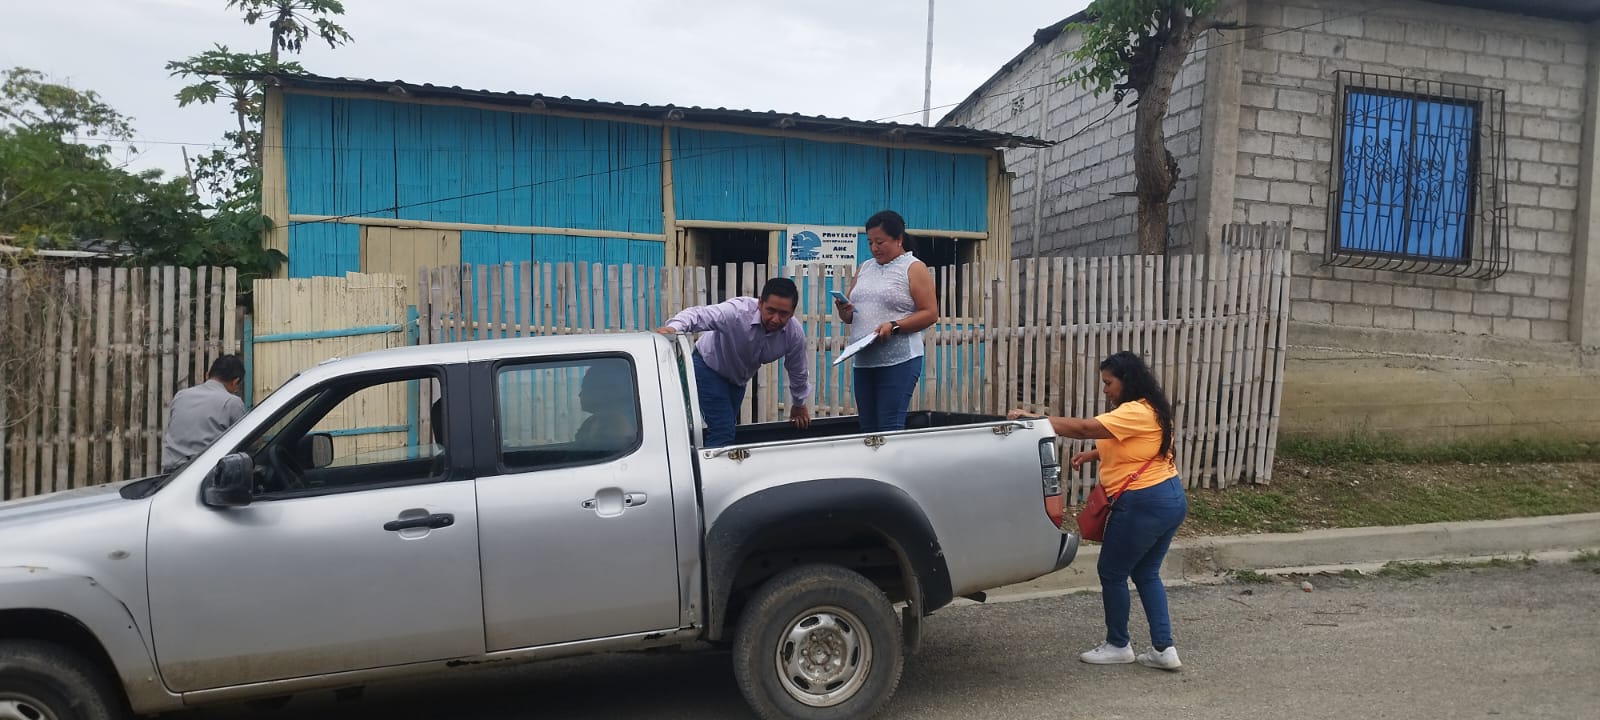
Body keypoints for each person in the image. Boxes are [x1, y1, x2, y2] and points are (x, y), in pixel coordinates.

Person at [1008, 351, 1187, 671]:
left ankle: (1118, 645)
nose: (1105, 390)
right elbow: (1133, 446)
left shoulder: (1133, 411)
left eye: (1108, 383)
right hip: (1170, 497)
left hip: (1142, 502)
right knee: (1146, 572)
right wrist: (1091, 456)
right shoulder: (1153, 409)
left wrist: (1034, 419)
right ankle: (1164, 648)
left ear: (1126, 381)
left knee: (1112, 571)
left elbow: (1083, 428)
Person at [656, 277, 811, 447]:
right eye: (771, 310)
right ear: (760, 303)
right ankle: (713, 465)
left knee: (727, 427)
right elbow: (699, 315)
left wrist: (799, 404)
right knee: (723, 430)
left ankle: (701, 457)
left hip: (737, 380)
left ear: (792, 312)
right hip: (707, 367)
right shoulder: (737, 312)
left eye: (783, 314)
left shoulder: (794, 334)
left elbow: (798, 371)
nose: (775, 319)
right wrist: (673, 328)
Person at [834, 210, 938, 432]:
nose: (874, 248)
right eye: (870, 242)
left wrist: (894, 326)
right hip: (864, 360)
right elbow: (850, 316)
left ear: (898, 239)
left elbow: (930, 313)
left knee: (889, 425)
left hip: (899, 360)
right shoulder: (864, 268)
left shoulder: (913, 267)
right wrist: (844, 310)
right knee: (867, 427)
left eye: (880, 242)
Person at [161, 355, 247, 472]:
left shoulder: (181, 396)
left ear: (207, 375)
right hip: (205, 474)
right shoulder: (232, 402)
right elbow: (243, 443)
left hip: (171, 474)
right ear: (235, 382)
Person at [574, 360, 639, 452]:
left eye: (584, 388)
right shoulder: (593, 421)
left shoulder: (617, 426)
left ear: (601, 392)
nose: (579, 394)